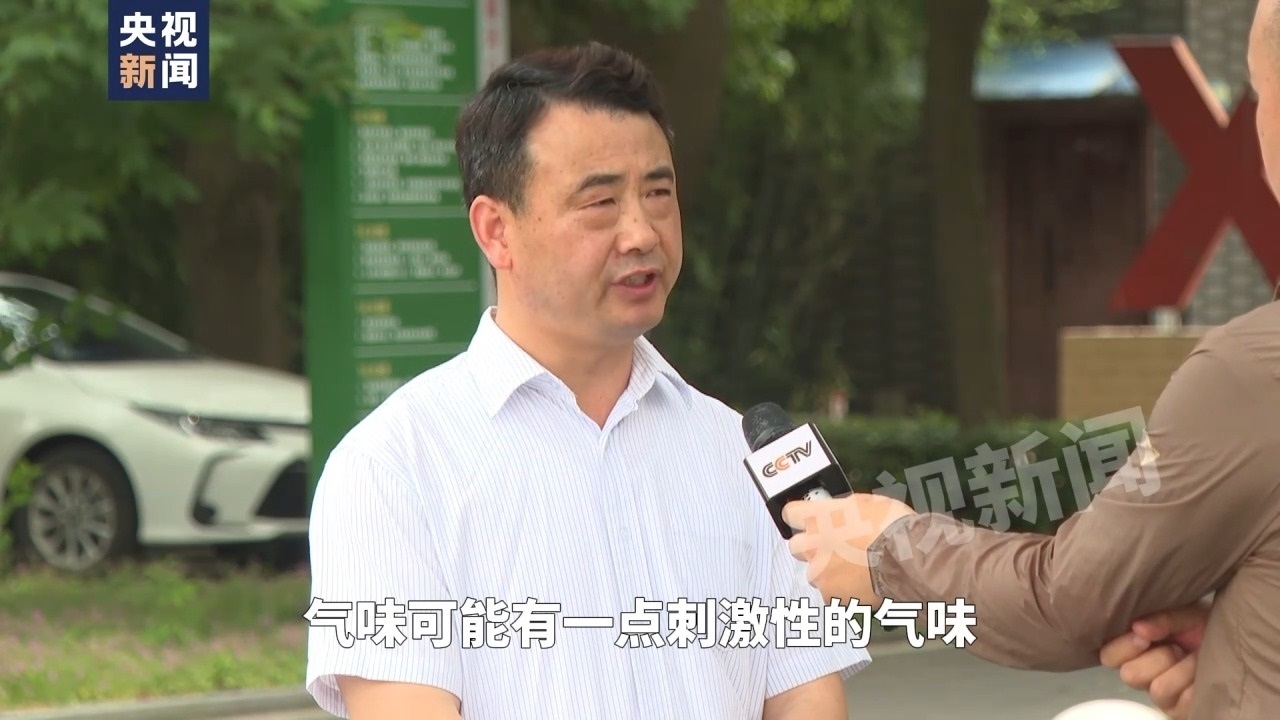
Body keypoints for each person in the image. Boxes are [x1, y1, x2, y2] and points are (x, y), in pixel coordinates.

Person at [303, 41, 870, 720]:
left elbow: (807, 698)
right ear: (495, 230)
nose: (641, 233)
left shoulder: (741, 455)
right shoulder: (393, 468)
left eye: (658, 193)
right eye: (600, 202)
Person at [780, 2, 1280, 717]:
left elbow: (1067, 600)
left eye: (1257, 94)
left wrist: (891, 551)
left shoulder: (1252, 375)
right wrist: (1244, 647)